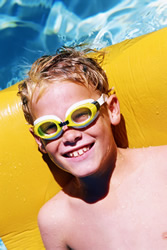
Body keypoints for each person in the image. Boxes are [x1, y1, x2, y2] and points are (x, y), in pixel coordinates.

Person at [18, 47, 167, 250]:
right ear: (38, 139)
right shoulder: (56, 220)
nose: (70, 136)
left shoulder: (163, 166)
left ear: (112, 109)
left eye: (81, 114)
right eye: (50, 127)